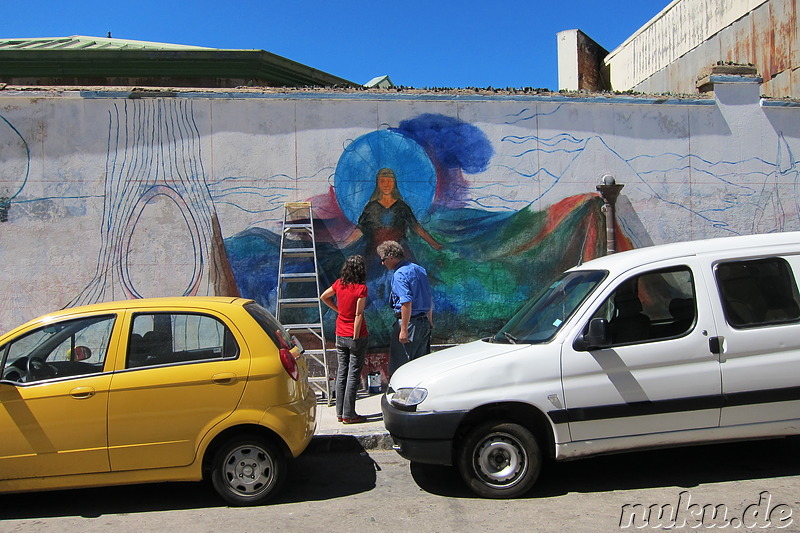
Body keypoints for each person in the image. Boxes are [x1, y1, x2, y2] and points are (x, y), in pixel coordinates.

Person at [320, 255, 370, 424]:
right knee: (353, 374)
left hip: (340, 333)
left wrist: (338, 309)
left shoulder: (339, 284)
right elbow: (358, 315)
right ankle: (350, 414)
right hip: (355, 335)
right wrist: (355, 337)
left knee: (342, 372)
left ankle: (340, 413)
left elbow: (324, 296)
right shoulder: (361, 289)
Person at [347, 167, 443, 252]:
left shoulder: (402, 207)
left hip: (399, 252)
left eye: (389, 181)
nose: (386, 184)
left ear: (394, 183)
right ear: (378, 184)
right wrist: (343, 244)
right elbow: (359, 230)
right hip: (375, 253)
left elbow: (417, 228)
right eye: (382, 181)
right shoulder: (371, 207)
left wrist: (435, 244)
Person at [377, 240, 433, 376]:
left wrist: (403, 330)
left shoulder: (399, 275)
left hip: (409, 324)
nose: (382, 263)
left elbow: (406, 302)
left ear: (391, 257)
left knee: (402, 368)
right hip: (423, 323)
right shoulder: (419, 269)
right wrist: (430, 321)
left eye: (384, 259)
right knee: (420, 366)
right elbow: (428, 297)